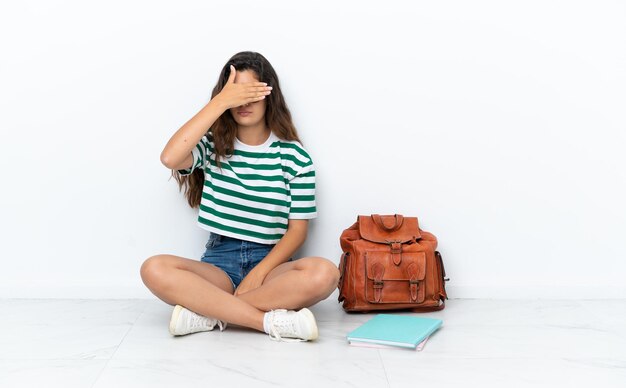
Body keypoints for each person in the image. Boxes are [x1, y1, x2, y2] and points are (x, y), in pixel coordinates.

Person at [140, 51, 340, 342]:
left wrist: (259, 273)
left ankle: (208, 313)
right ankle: (265, 322)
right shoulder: (212, 147)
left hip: (270, 264)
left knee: (325, 273)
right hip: (219, 264)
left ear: (269, 95)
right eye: (237, 94)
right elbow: (170, 157)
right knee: (153, 268)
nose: (244, 103)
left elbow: (297, 232)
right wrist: (221, 102)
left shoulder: (295, 157)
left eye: (252, 93)